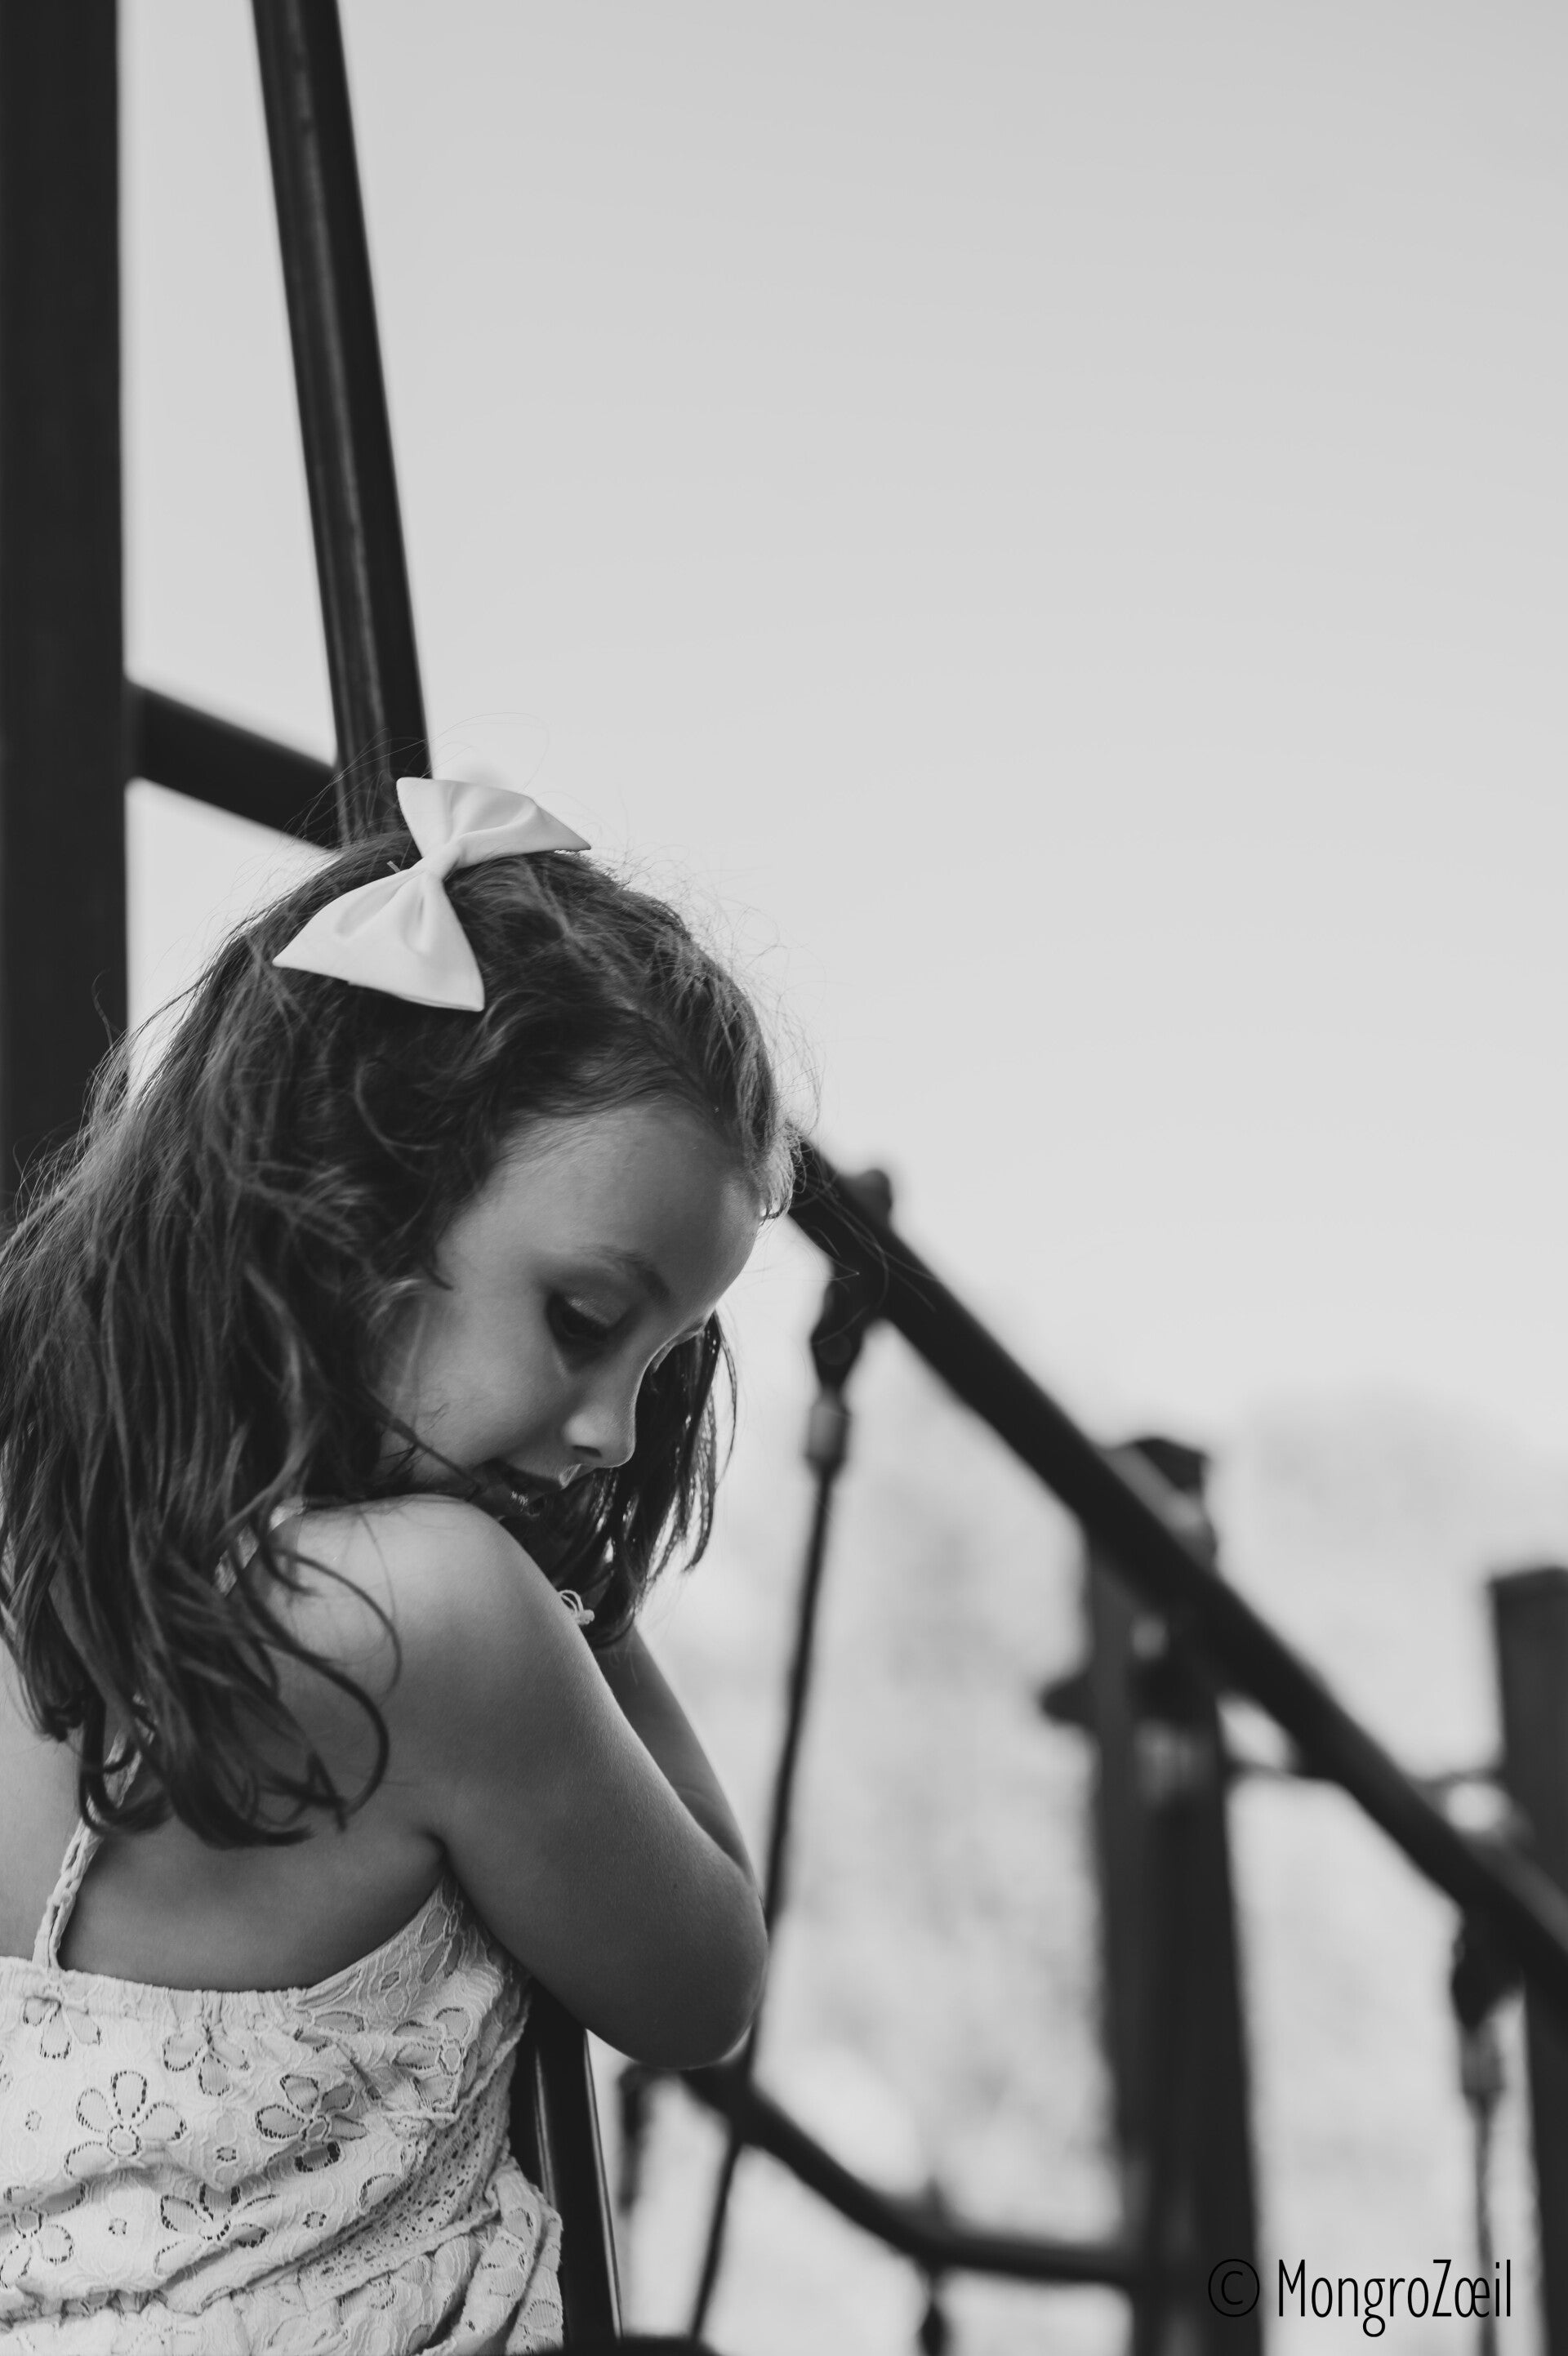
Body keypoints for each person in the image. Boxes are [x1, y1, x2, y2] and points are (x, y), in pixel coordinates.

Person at [0, 779, 792, 2353]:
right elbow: (704, 1980)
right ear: (351, 1207)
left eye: (666, 1359)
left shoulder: (42, 1552)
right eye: (584, 1320)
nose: (616, 1433)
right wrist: (581, 1597)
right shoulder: (439, 1616)